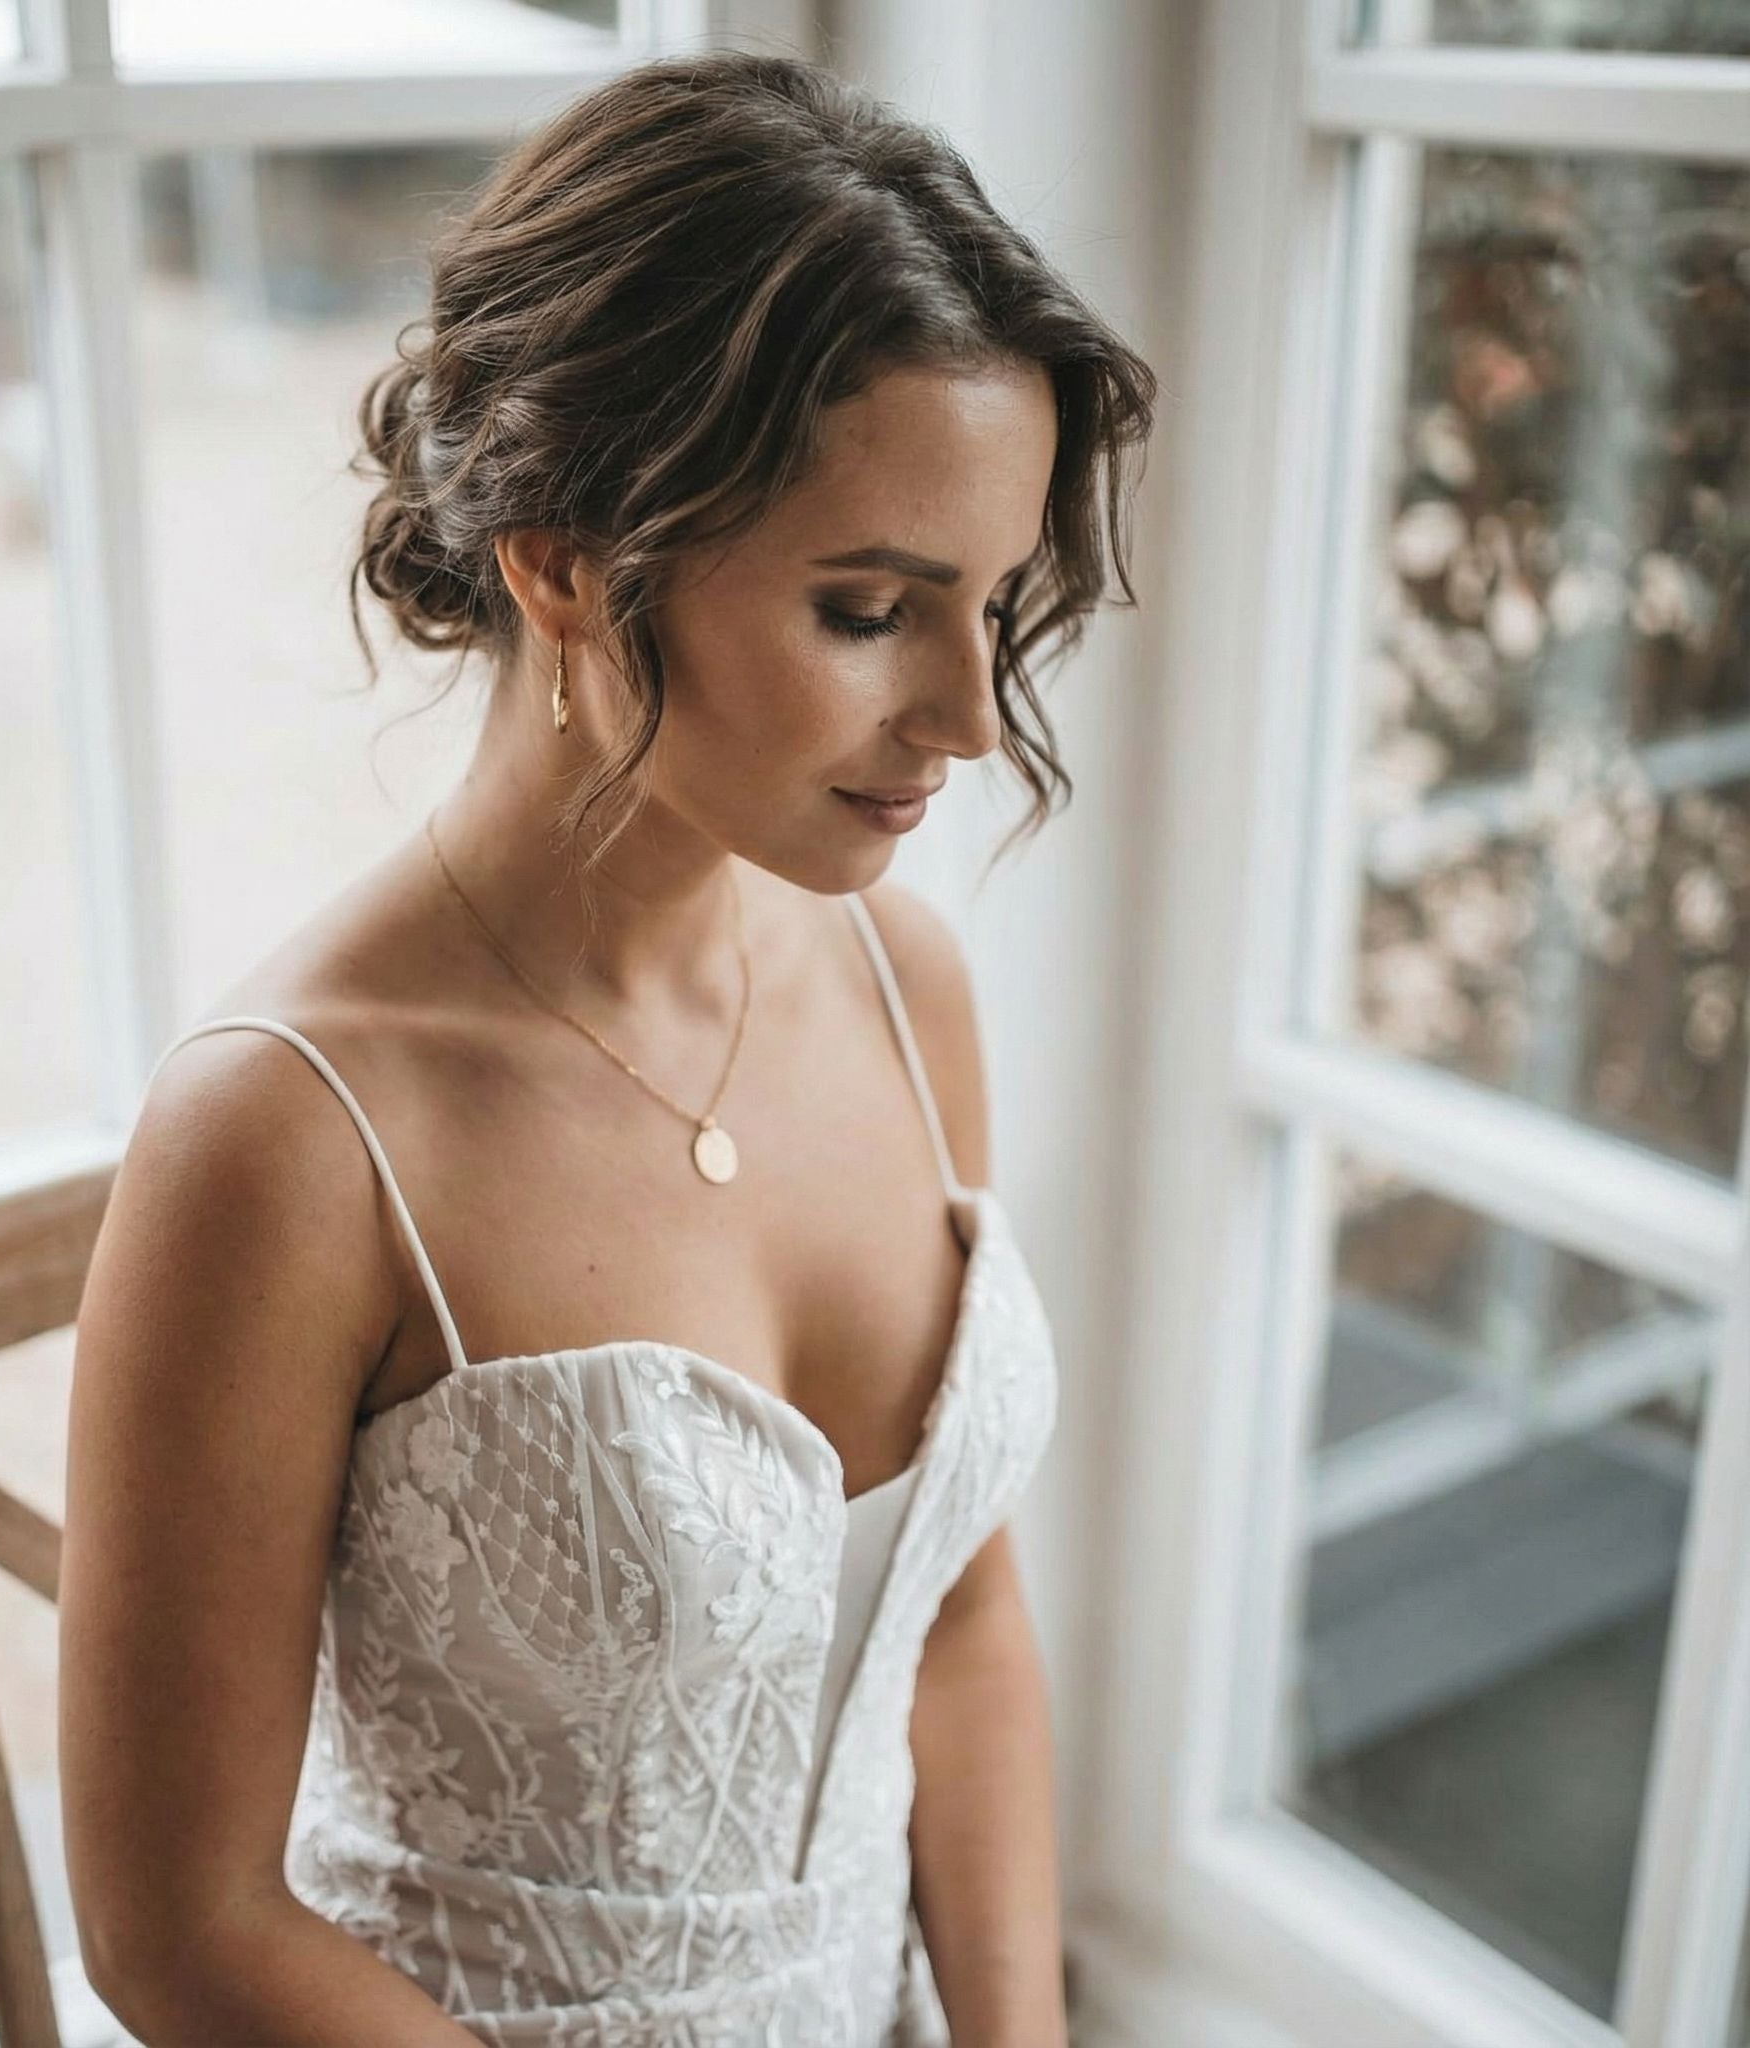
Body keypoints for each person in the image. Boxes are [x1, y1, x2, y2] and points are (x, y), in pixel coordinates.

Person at [58, 45, 1155, 2048]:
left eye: (991, 605)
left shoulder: (909, 991)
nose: (969, 720)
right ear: (563, 557)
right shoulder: (288, 1141)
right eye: (867, 609)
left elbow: (959, 1629)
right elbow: (180, 1928)